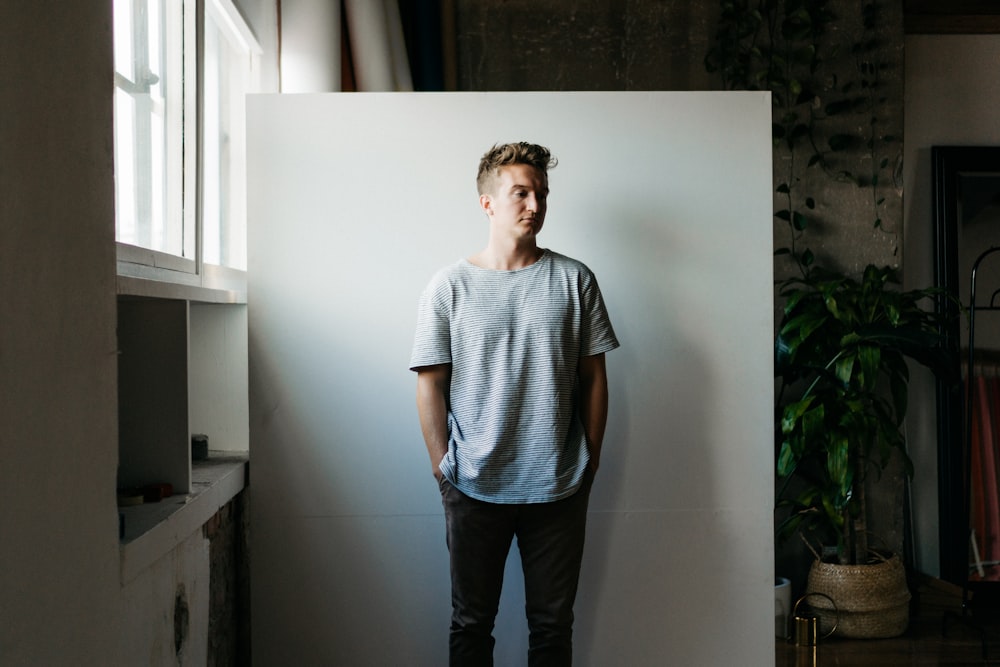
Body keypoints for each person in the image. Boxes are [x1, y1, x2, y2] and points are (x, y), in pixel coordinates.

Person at [409, 141, 619, 667]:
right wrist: (443, 471)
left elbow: (595, 377)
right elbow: (429, 383)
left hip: (558, 485)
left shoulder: (575, 280)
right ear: (488, 203)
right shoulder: (448, 287)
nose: (535, 205)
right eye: (520, 193)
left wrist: (588, 460)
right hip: (473, 484)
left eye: (541, 194)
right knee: (471, 626)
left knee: (552, 629)